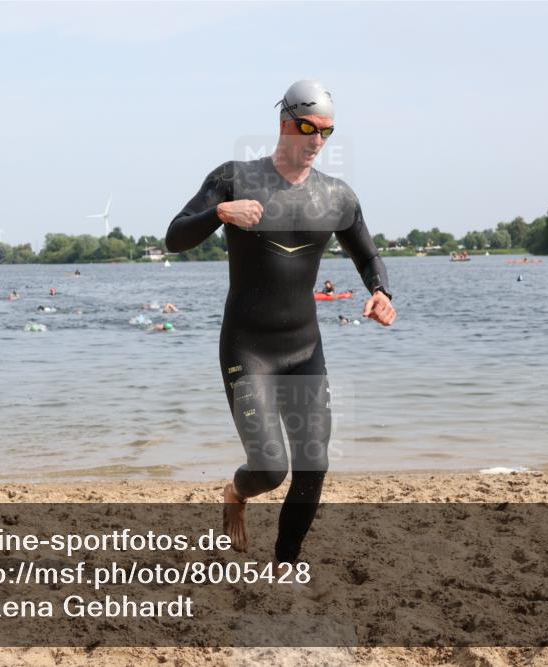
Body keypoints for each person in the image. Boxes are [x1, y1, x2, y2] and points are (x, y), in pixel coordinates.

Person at [165, 79, 396, 567]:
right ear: (284, 123)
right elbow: (174, 238)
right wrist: (218, 213)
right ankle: (235, 493)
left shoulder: (336, 197)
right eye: (306, 127)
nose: (315, 141)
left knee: (313, 467)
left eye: (326, 132)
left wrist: (380, 292)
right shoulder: (234, 178)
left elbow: (368, 254)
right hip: (248, 350)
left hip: (304, 350)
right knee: (271, 469)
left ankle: (285, 564)